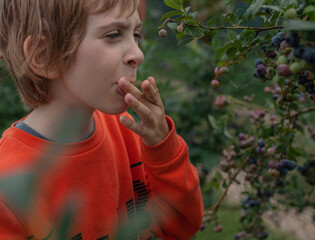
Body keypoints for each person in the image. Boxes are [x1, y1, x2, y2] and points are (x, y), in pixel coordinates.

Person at [0, 0, 204, 239]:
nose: (137, 54)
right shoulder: (9, 186)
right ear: (44, 55)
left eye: (136, 34)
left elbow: (181, 225)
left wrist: (162, 149)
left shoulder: (128, 132)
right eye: (113, 35)